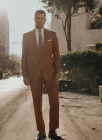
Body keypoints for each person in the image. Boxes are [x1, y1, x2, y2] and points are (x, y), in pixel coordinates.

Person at [22, 10, 61, 140]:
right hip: (34, 75)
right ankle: (41, 132)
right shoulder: (26, 36)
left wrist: (57, 74)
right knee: (37, 105)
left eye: (42, 18)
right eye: (37, 18)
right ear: (34, 19)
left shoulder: (52, 34)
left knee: (54, 103)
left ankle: (52, 131)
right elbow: (24, 57)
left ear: (45, 20)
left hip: (50, 75)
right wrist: (25, 75)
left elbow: (56, 56)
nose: (39, 20)